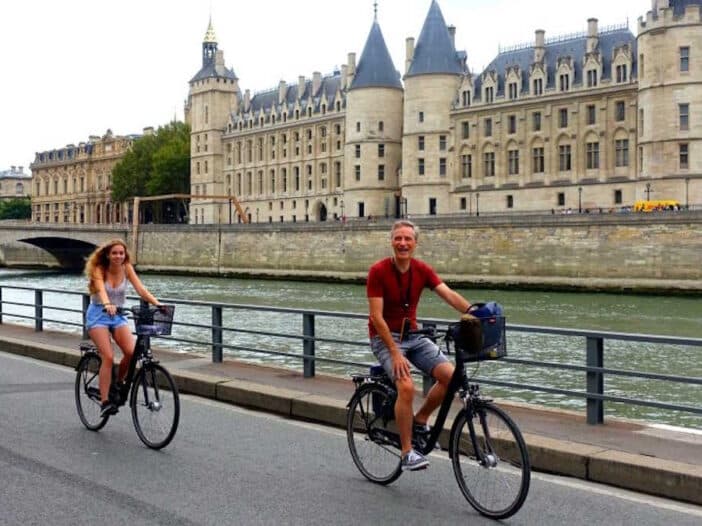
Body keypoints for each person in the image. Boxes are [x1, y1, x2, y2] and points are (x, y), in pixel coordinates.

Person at [367, 220, 471, 471]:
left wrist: (474, 313)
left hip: (413, 335)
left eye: (408, 239)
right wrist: (394, 351)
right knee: (406, 385)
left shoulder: (421, 270)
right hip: (385, 338)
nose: (403, 243)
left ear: (415, 243)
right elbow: (376, 317)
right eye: (398, 239)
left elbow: (448, 294)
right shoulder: (378, 271)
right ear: (391, 242)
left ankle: (421, 419)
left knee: (452, 377)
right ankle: (407, 452)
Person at [84, 239, 161, 417]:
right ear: (107, 255)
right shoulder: (99, 269)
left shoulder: (127, 268)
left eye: (121, 253)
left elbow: (141, 290)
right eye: (115, 253)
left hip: (117, 315)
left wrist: (158, 304)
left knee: (131, 352)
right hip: (99, 315)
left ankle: (117, 383)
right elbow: (102, 292)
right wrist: (107, 303)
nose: (119, 256)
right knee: (108, 356)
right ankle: (105, 401)